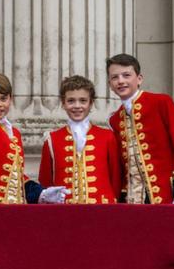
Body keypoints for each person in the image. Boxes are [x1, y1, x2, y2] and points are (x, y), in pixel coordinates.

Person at [106, 53, 174, 204]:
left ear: (139, 79)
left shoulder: (160, 102)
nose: (120, 81)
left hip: (169, 196)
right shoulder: (115, 119)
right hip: (133, 200)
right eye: (115, 77)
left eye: (126, 75)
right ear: (110, 84)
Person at [0, 73, 68, 204]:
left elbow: (17, 177)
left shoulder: (15, 133)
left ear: (10, 99)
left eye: (3, 99)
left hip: (12, 207)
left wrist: (41, 193)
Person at [38, 75, 121, 204]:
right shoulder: (52, 139)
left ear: (91, 103)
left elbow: (116, 179)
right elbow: (46, 181)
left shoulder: (107, 136)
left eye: (83, 100)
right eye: (71, 101)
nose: (77, 106)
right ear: (63, 103)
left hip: (103, 209)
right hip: (65, 212)